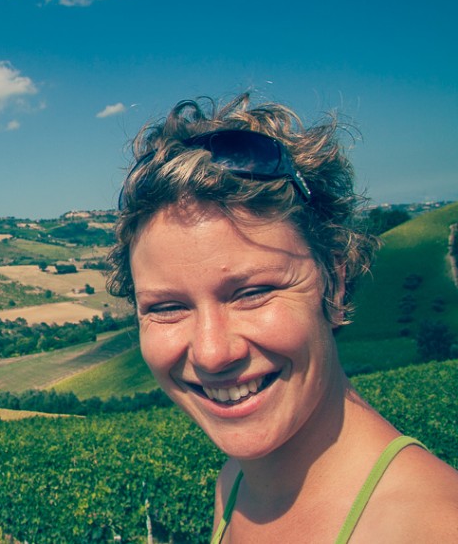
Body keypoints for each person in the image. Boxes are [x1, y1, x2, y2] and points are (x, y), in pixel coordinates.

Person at [107, 94, 458, 543]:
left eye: (253, 293)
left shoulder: (431, 527)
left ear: (334, 282)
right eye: (167, 307)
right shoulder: (233, 485)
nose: (213, 354)